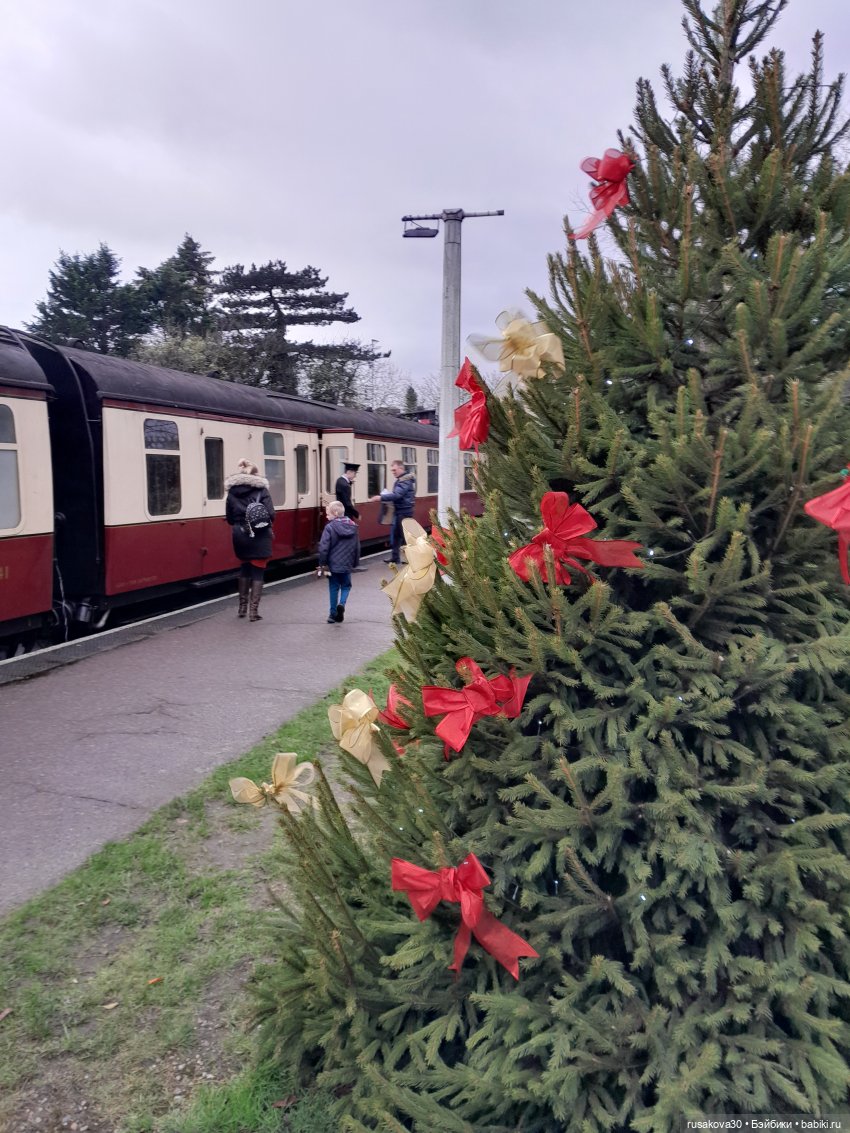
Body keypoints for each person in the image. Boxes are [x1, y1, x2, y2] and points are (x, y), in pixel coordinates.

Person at [225, 458, 275, 622]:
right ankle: (253, 612)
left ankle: (242, 608)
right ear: (256, 474)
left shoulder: (232, 492)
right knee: (258, 572)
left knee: (245, 569)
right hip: (259, 535)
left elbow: (230, 518)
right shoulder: (262, 491)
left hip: (240, 535)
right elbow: (271, 515)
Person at [317, 501, 361, 623]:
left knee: (333, 587)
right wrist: (355, 563)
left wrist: (322, 564)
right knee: (346, 586)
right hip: (347, 564)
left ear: (335, 513)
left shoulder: (329, 527)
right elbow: (357, 547)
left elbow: (323, 548)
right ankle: (342, 604)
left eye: (328, 514)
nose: (327, 517)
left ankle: (332, 615)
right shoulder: (353, 526)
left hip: (333, 565)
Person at [371, 459, 416, 564]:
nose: (393, 472)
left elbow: (397, 495)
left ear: (401, 468)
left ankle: (411, 559)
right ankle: (395, 557)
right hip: (400, 511)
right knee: (396, 536)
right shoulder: (401, 480)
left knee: (405, 537)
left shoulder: (404, 480)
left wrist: (380, 497)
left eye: (394, 470)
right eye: (392, 470)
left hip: (404, 512)